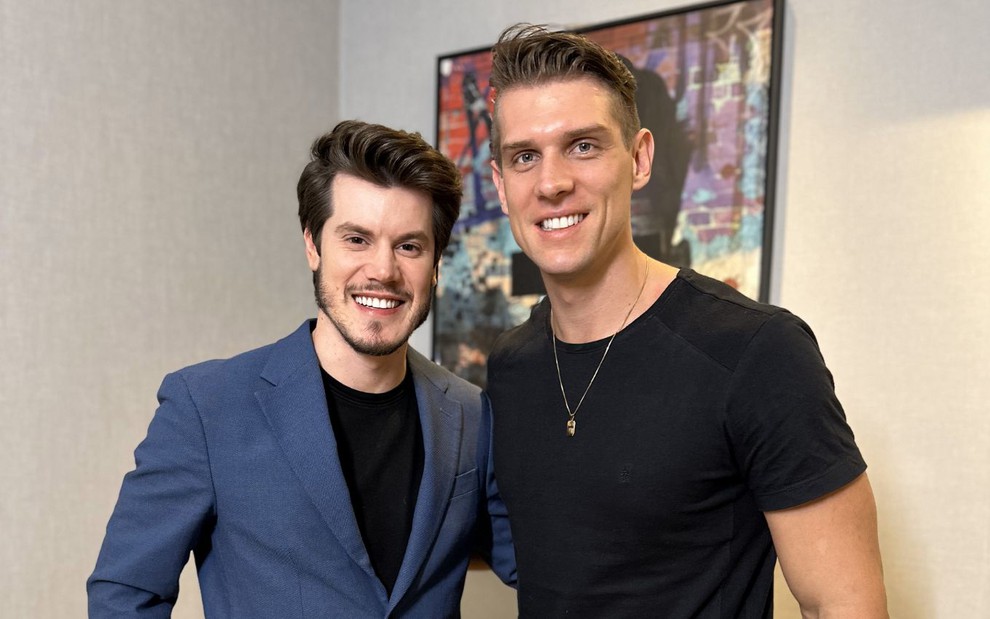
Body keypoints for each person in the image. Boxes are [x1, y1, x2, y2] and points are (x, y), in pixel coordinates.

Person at [484, 24, 887, 618]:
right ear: (500, 184)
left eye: (584, 146)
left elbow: (845, 604)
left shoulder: (757, 351)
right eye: (525, 157)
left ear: (641, 158)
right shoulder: (510, 366)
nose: (552, 183)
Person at [88, 120, 515, 618]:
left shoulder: (470, 413)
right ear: (313, 244)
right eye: (356, 239)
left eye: (409, 246)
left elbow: (545, 562)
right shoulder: (206, 407)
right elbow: (124, 595)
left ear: (437, 262)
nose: (383, 270)